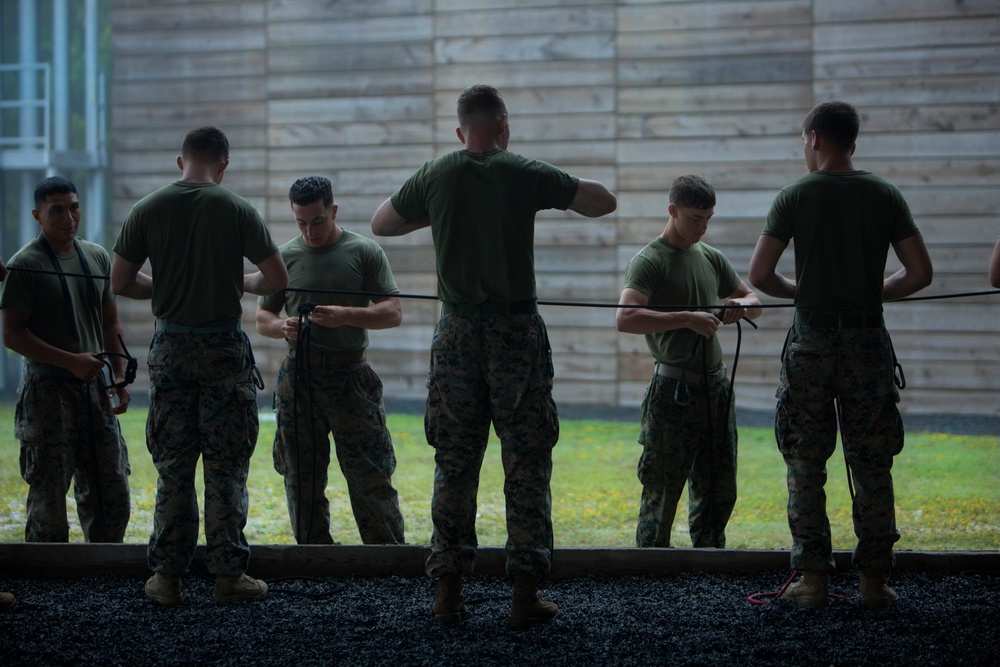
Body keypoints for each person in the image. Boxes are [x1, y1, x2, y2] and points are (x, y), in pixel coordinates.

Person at [371, 83, 617, 629]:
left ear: (461, 131)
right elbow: (604, 202)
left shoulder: (436, 173)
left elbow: (381, 223)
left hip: (455, 334)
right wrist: (550, 182)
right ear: (503, 125)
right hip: (516, 335)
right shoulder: (525, 171)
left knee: (455, 462)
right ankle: (525, 594)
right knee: (526, 461)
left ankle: (448, 593)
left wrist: (438, 212)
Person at [748, 100, 933, 609]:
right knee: (872, 461)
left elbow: (760, 277)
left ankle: (812, 582)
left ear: (813, 139)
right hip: (868, 343)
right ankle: (875, 583)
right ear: (853, 142)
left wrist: (805, 290)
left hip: (810, 343)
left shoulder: (794, 196)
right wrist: (869, 291)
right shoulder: (885, 195)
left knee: (806, 462)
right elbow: (919, 273)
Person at [111, 126, 288, 607]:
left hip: (170, 349)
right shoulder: (236, 209)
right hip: (223, 353)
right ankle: (229, 576)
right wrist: (233, 279)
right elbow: (277, 277)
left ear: (180, 161)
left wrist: (166, 285)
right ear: (223, 164)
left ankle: (167, 577)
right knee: (226, 466)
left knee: (174, 464)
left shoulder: (147, 209)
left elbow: (121, 281)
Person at [256, 175, 405, 545]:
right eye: (301, 223)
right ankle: (313, 554)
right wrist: (283, 326)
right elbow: (262, 319)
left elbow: (392, 312)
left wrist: (347, 315)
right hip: (298, 378)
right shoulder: (284, 257)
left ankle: (388, 559)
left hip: (350, 376)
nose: (310, 232)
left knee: (370, 471)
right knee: (300, 475)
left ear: (333, 211)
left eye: (318, 221)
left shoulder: (364, 251)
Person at [616, 175, 761, 550]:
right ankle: (651, 571)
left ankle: (709, 564)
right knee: (662, 489)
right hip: (673, 392)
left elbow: (752, 298)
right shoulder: (649, 261)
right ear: (673, 211)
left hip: (716, 389)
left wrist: (738, 307)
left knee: (718, 486)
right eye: (696, 217)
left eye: (708, 218)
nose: (703, 226)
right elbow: (626, 317)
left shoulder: (711, 257)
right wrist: (687, 317)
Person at [0, 176, 132, 544]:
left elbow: (110, 322)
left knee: (111, 489)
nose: (68, 217)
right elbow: (12, 334)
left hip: (95, 385)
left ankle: (105, 574)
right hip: (47, 391)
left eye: (73, 207)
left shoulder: (96, 255)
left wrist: (119, 375)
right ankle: (48, 583)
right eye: (56, 210)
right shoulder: (24, 264)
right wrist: (69, 361)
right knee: (48, 495)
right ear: (37, 216)